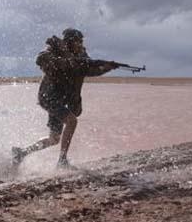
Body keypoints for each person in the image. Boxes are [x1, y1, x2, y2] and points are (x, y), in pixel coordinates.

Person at [11, 28, 117, 169]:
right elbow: (40, 59)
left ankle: (21, 153)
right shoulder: (54, 49)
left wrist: (106, 68)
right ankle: (62, 161)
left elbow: (89, 69)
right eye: (78, 41)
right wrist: (66, 62)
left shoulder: (81, 54)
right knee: (72, 121)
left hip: (62, 99)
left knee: (54, 138)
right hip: (49, 96)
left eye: (81, 41)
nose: (80, 44)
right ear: (70, 41)